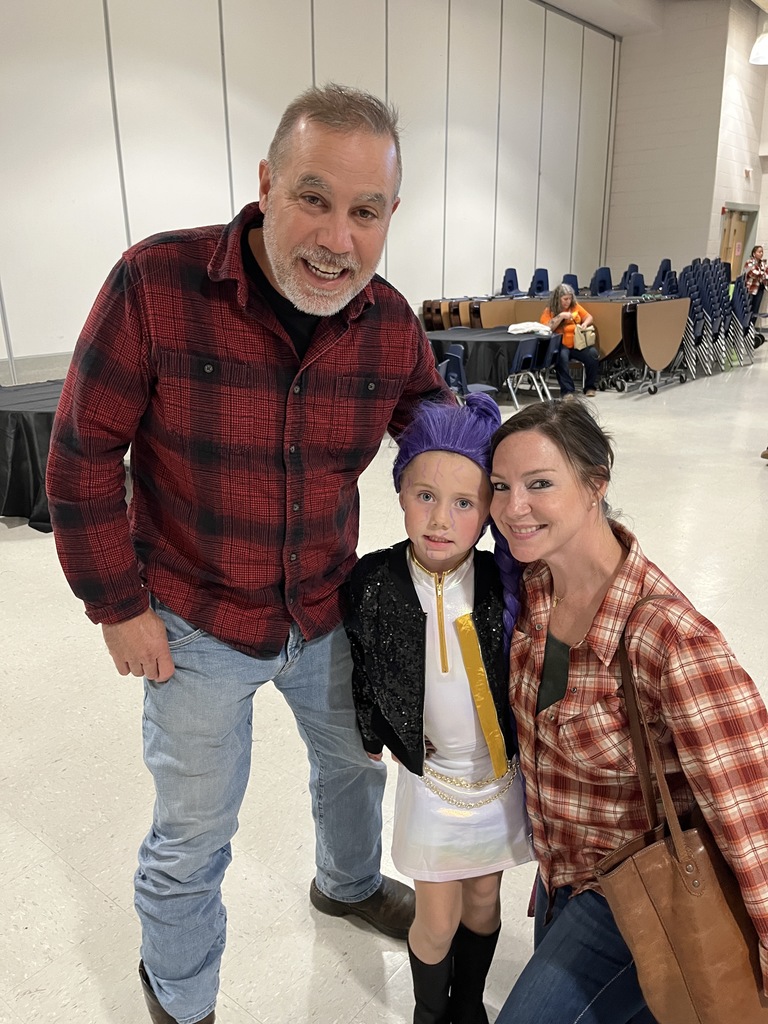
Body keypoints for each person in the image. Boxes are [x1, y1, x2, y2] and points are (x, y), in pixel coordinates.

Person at [46, 83, 453, 1024]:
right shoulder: (157, 285)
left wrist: (529, 493)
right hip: (194, 617)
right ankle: (182, 1000)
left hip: (325, 606)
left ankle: (348, 885)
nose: (337, 239)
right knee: (194, 834)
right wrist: (118, 606)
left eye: (366, 212)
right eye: (314, 197)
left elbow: (437, 433)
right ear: (266, 183)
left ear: (392, 215)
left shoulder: (389, 324)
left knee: (355, 767)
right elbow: (80, 454)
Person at [488, 399, 768, 1024]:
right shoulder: (535, 591)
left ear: (596, 484)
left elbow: (752, 808)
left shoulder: (667, 637)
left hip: (643, 891)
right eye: (501, 486)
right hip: (561, 878)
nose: (512, 507)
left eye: (539, 484)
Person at [345, 394, 532, 1024]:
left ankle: (468, 1006)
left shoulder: (504, 583)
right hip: (432, 784)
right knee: (436, 915)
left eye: (463, 503)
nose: (440, 519)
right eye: (425, 495)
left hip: (497, 780)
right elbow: (363, 663)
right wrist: (373, 729)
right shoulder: (373, 582)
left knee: (483, 900)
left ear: (488, 513)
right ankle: (429, 1013)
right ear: (400, 492)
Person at [539, 282, 599, 398]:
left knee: (593, 354)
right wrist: (561, 316)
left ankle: (590, 387)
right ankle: (567, 391)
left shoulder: (575, 307)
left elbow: (589, 317)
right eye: (565, 299)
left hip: (577, 343)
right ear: (558, 298)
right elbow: (546, 328)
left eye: (570, 299)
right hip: (560, 345)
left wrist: (585, 324)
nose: (568, 301)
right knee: (561, 358)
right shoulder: (549, 311)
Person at [743, 244, 767, 318]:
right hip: (751, 289)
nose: (761, 253)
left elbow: (766, 274)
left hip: (760, 289)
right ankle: (745, 325)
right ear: (754, 253)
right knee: (748, 309)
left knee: (755, 310)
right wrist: (762, 274)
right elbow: (752, 273)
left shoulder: (763, 263)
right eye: (759, 252)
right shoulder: (749, 262)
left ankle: (752, 324)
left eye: (762, 252)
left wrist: (762, 274)